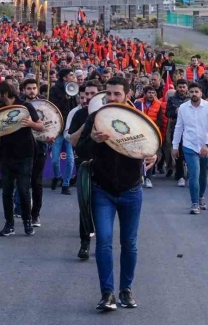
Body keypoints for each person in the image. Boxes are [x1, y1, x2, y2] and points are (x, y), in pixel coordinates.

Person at [76, 76, 157, 310]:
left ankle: (126, 290)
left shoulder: (139, 119)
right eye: (108, 93)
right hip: (102, 191)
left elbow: (152, 146)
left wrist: (153, 156)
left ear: (127, 95)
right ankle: (107, 294)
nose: (111, 98)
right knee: (103, 242)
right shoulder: (96, 118)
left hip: (131, 190)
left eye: (116, 94)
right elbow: (79, 149)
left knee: (129, 244)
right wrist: (91, 140)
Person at [0, 81, 44, 237]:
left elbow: (41, 126)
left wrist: (31, 123)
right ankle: (9, 224)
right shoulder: (1, 109)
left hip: (25, 154)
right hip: (5, 155)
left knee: (23, 190)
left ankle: (27, 222)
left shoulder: (25, 106)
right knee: (6, 191)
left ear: (6, 94)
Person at [172, 82, 208, 214]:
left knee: (204, 174)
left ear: (201, 93)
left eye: (196, 92)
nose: (194, 94)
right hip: (189, 145)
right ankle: (194, 203)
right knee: (194, 174)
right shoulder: (183, 108)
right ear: (188, 93)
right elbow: (179, 128)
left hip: (206, 146)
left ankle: (201, 196)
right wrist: (175, 146)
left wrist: (207, 144)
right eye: (191, 92)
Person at [68, 80, 101, 260]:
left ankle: (103, 245)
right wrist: (87, 122)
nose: (88, 97)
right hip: (84, 165)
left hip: (104, 165)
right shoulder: (79, 114)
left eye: (92, 94)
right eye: (86, 94)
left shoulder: (108, 114)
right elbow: (72, 141)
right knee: (85, 207)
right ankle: (85, 243)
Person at [21, 78, 50, 226]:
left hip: (40, 148)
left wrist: (51, 137)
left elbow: (52, 124)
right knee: (22, 182)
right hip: (22, 148)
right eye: (28, 88)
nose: (31, 91)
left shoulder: (45, 105)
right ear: (23, 90)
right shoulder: (19, 105)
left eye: (34, 88)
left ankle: (35, 214)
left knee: (36, 182)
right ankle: (24, 211)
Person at [48, 68, 78, 194]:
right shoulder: (54, 90)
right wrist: (65, 97)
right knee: (55, 159)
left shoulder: (73, 90)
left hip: (69, 130)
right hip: (58, 129)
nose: (73, 77)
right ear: (64, 78)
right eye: (71, 75)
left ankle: (65, 185)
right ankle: (57, 176)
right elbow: (52, 107)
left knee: (70, 160)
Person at [134, 86, 164, 189]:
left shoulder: (159, 105)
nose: (151, 95)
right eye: (149, 93)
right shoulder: (137, 103)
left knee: (150, 155)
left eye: (153, 93)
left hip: (152, 134)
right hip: (139, 133)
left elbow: (160, 120)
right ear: (144, 93)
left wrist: (149, 124)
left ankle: (148, 179)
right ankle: (139, 176)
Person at [165, 79, 190, 186]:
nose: (182, 89)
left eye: (184, 87)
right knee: (178, 153)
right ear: (177, 88)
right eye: (180, 87)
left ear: (187, 88)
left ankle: (190, 173)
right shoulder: (171, 99)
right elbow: (167, 113)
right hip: (176, 129)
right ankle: (180, 175)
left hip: (190, 130)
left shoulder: (191, 98)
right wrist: (175, 111)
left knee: (189, 152)